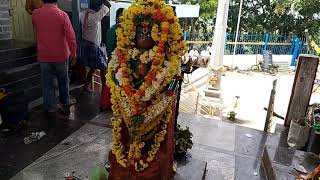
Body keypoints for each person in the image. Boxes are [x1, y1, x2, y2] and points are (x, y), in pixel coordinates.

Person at [32, 0, 77, 115]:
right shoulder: (62, 14)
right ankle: (65, 101)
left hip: (44, 55)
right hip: (61, 55)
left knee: (47, 83)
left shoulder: (35, 14)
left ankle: (50, 107)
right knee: (63, 80)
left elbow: (38, 30)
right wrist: (73, 53)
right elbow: (71, 36)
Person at [79, 0, 111, 92]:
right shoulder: (95, 17)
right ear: (97, 8)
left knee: (93, 67)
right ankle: (104, 90)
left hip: (86, 44)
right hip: (94, 46)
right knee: (104, 68)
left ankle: (85, 87)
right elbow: (108, 6)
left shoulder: (83, 14)